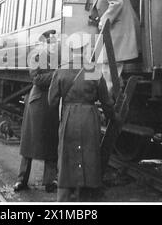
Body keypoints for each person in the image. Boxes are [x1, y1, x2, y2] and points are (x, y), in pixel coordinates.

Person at [48, 35, 115, 202]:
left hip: (69, 116)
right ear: (85, 49)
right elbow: (106, 102)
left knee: (67, 156)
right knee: (89, 155)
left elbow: (52, 101)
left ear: (70, 50)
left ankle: (64, 197)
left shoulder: (61, 71)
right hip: (89, 118)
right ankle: (85, 196)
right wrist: (113, 116)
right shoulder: (93, 71)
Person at [13, 30, 59, 193]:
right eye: (50, 42)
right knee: (29, 143)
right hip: (38, 103)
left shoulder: (59, 57)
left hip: (52, 102)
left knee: (52, 142)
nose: (53, 45)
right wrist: (56, 75)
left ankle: (49, 181)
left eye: (54, 42)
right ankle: (21, 180)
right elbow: (37, 79)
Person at [84, 0, 140, 94]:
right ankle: (112, 94)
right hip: (116, 29)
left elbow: (116, 2)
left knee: (109, 63)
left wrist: (104, 20)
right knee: (108, 63)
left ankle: (107, 98)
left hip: (118, 29)